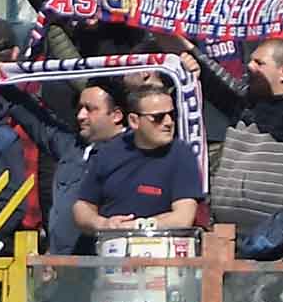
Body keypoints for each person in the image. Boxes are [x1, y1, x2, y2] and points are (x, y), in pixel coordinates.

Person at [68, 80, 205, 250]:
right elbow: (82, 207)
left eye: (172, 114)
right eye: (158, 117)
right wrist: (103, 224)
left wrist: (136, 227)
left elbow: (183, 216)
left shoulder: (181, 154)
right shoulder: (107, 153)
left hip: (159, 255)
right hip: (109, 255)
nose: (169, 122)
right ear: (134, 121)